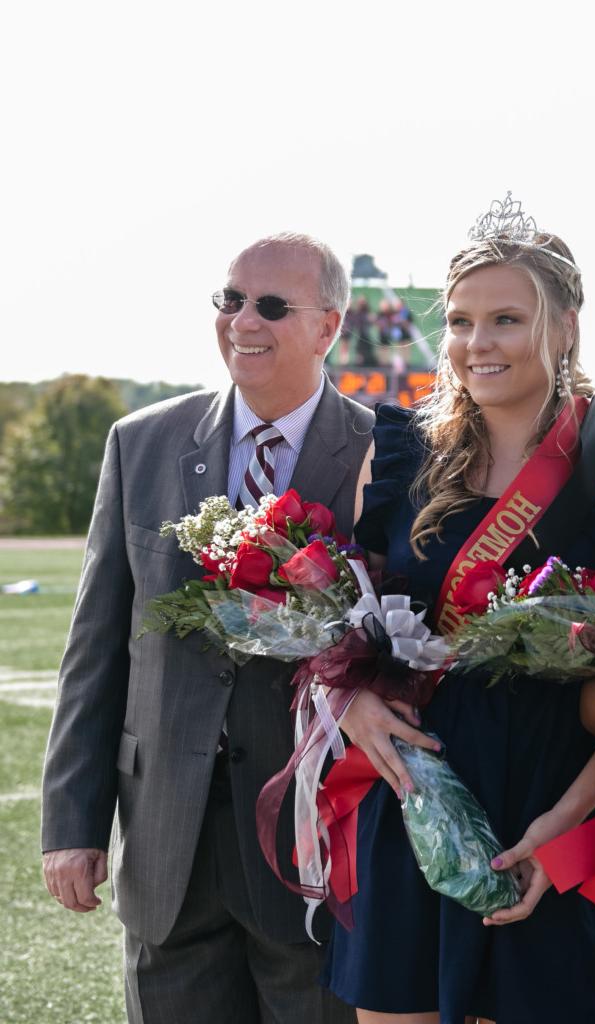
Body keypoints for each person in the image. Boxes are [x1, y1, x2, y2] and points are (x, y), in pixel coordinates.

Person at [325, 201, 595, 1024]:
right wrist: (353, 699)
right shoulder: (400, 448)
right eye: (464, 321)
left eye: (507, 319)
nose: (479, 344)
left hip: (555, 795)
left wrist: (567, 822)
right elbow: (352, 626)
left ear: (567, 325)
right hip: (416, 792)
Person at [41, 233, 368, 1023]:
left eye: (270, 306)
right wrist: (72, 822)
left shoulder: (386, 453)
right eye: (230, 299)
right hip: (166, 845)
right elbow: (96, 648)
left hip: (314, 849)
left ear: (328, 327)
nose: (241, 321)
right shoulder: (142, 442)